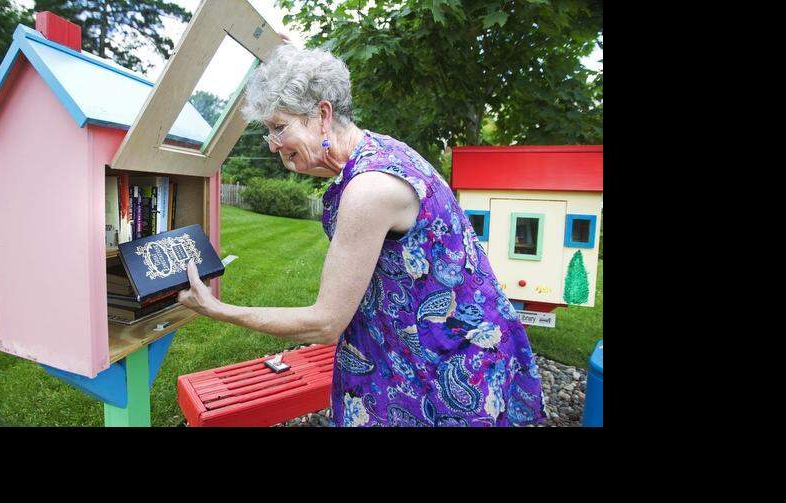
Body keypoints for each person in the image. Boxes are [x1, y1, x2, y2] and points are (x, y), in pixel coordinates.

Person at [177, 45, 545, 427]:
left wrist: (217, 309)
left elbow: (325, 323)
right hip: (420, 343)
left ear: (323, 114)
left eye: (278, 127)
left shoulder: (369, 188)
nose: (271, 144)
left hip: (445, 364)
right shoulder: (377, 152)